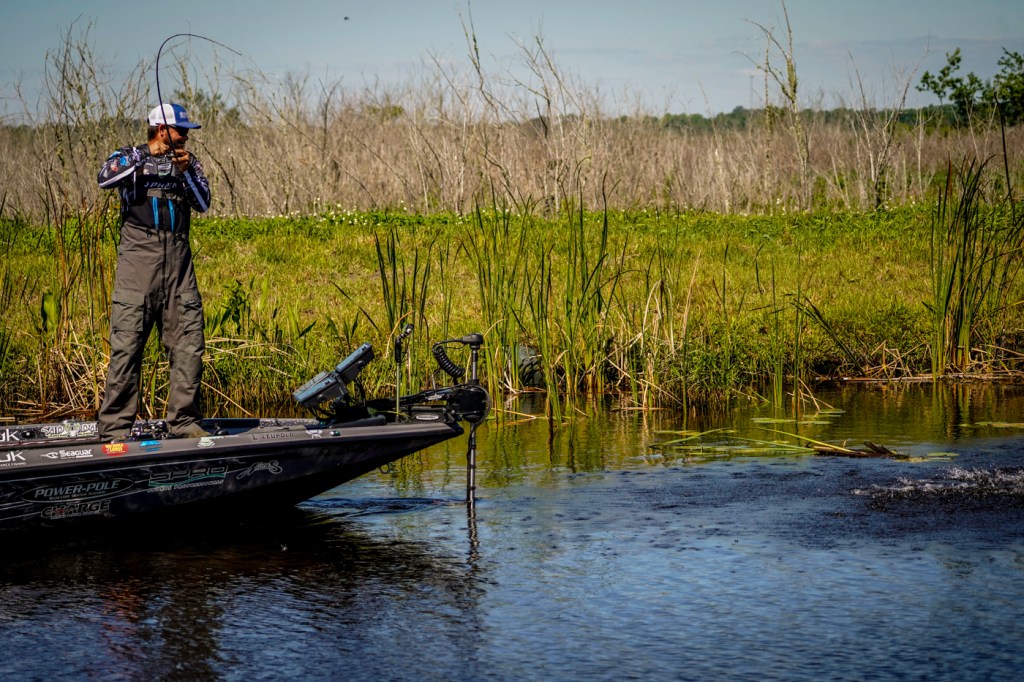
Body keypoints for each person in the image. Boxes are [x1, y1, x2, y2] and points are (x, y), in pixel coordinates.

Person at [96, 102, 212, 441]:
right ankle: (115, 430)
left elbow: (203, 203)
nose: (186, 136)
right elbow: (105, 178)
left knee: (189, 345)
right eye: (181, 131)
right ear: (162, 131)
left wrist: (186, 172)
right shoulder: (128, 157)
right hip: (138, 264)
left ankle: (184, 422)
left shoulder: (189, 163)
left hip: (179, 265)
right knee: (127, 347)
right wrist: (143, 157)